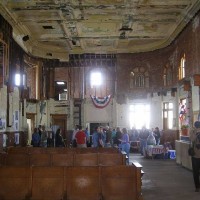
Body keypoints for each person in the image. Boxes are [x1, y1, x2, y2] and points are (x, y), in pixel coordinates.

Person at [190, 121, 200, 192]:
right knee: (195, 171)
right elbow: (192, 139)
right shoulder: (193, 131)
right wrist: (196, 133)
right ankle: (197, 186)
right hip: (195, 155)